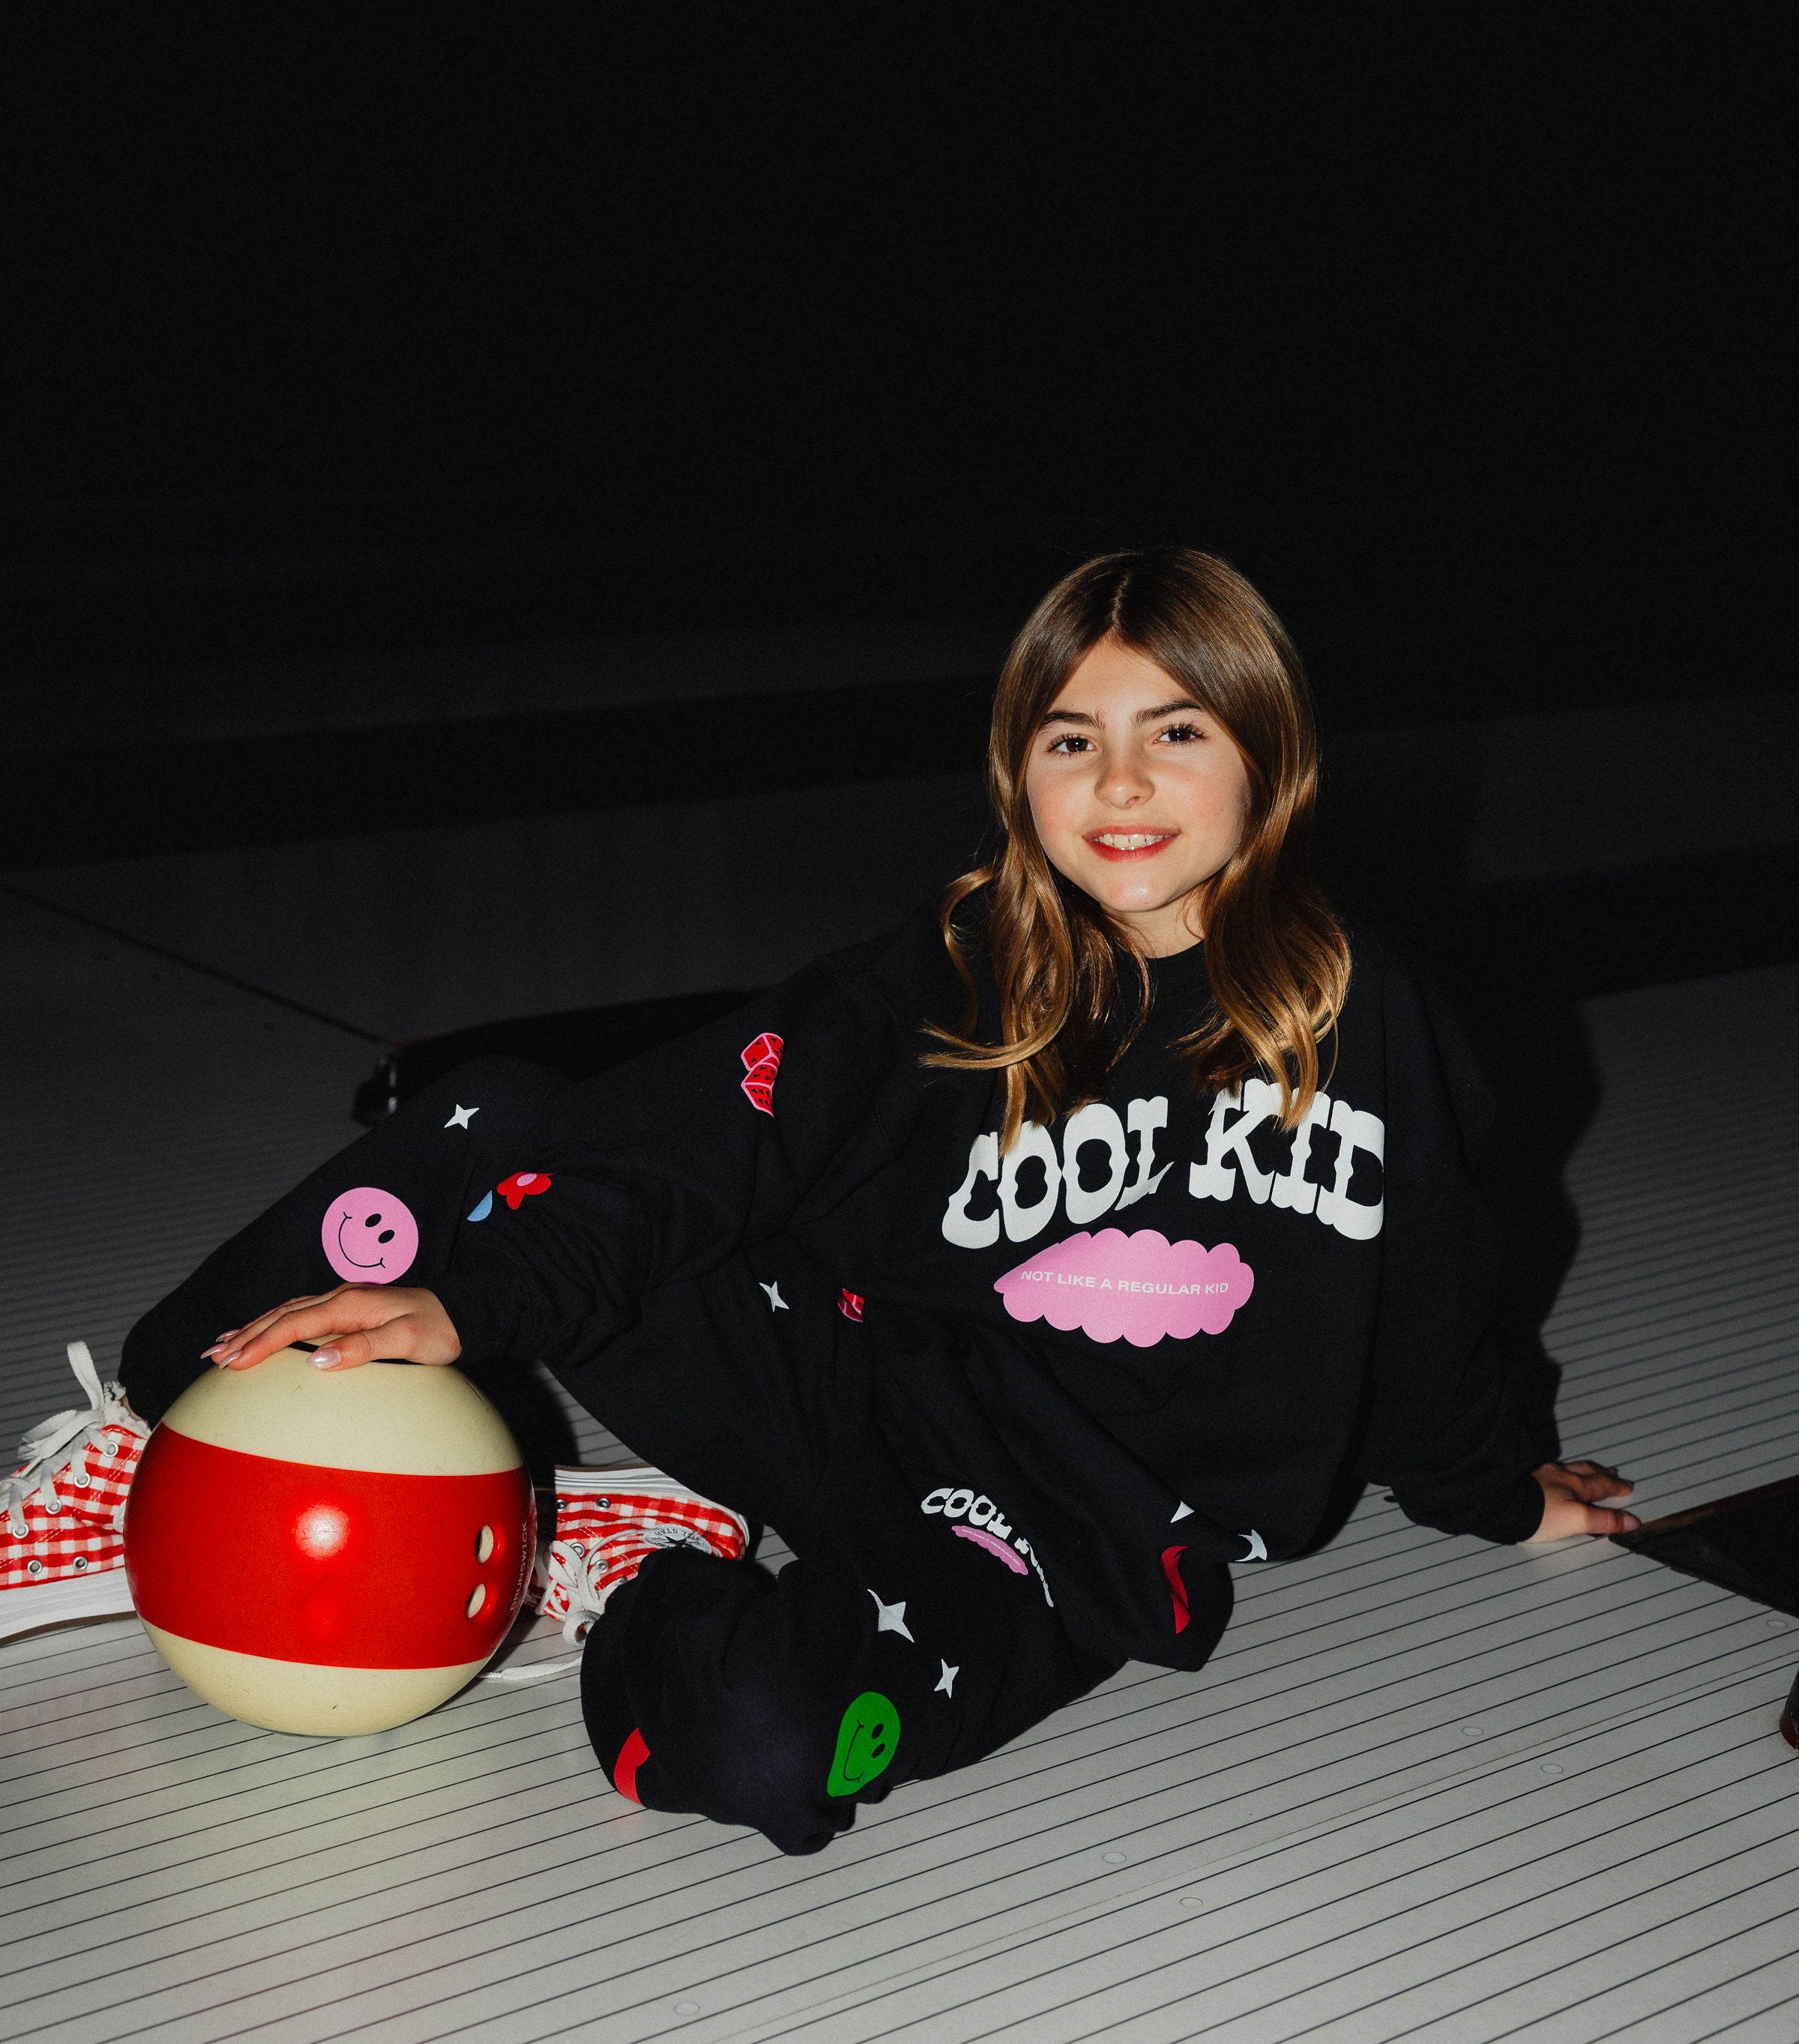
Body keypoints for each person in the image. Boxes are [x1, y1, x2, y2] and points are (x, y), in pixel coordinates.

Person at [1, 547, 1639, 1851]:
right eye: (1073, 738)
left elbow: (1434, 1288)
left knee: (771, 1748)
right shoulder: (958, 975)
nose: (1122, 783)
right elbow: (709, 1142)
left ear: (1269, 757)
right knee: (498, 1120)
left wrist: (1495, 1489)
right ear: (1019, 770)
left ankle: (628, 1564)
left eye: (1178, 731)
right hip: (838, 1367)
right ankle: (156, 1428)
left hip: (1064, 1530)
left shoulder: (1369, 1014)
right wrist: (470, 1299)